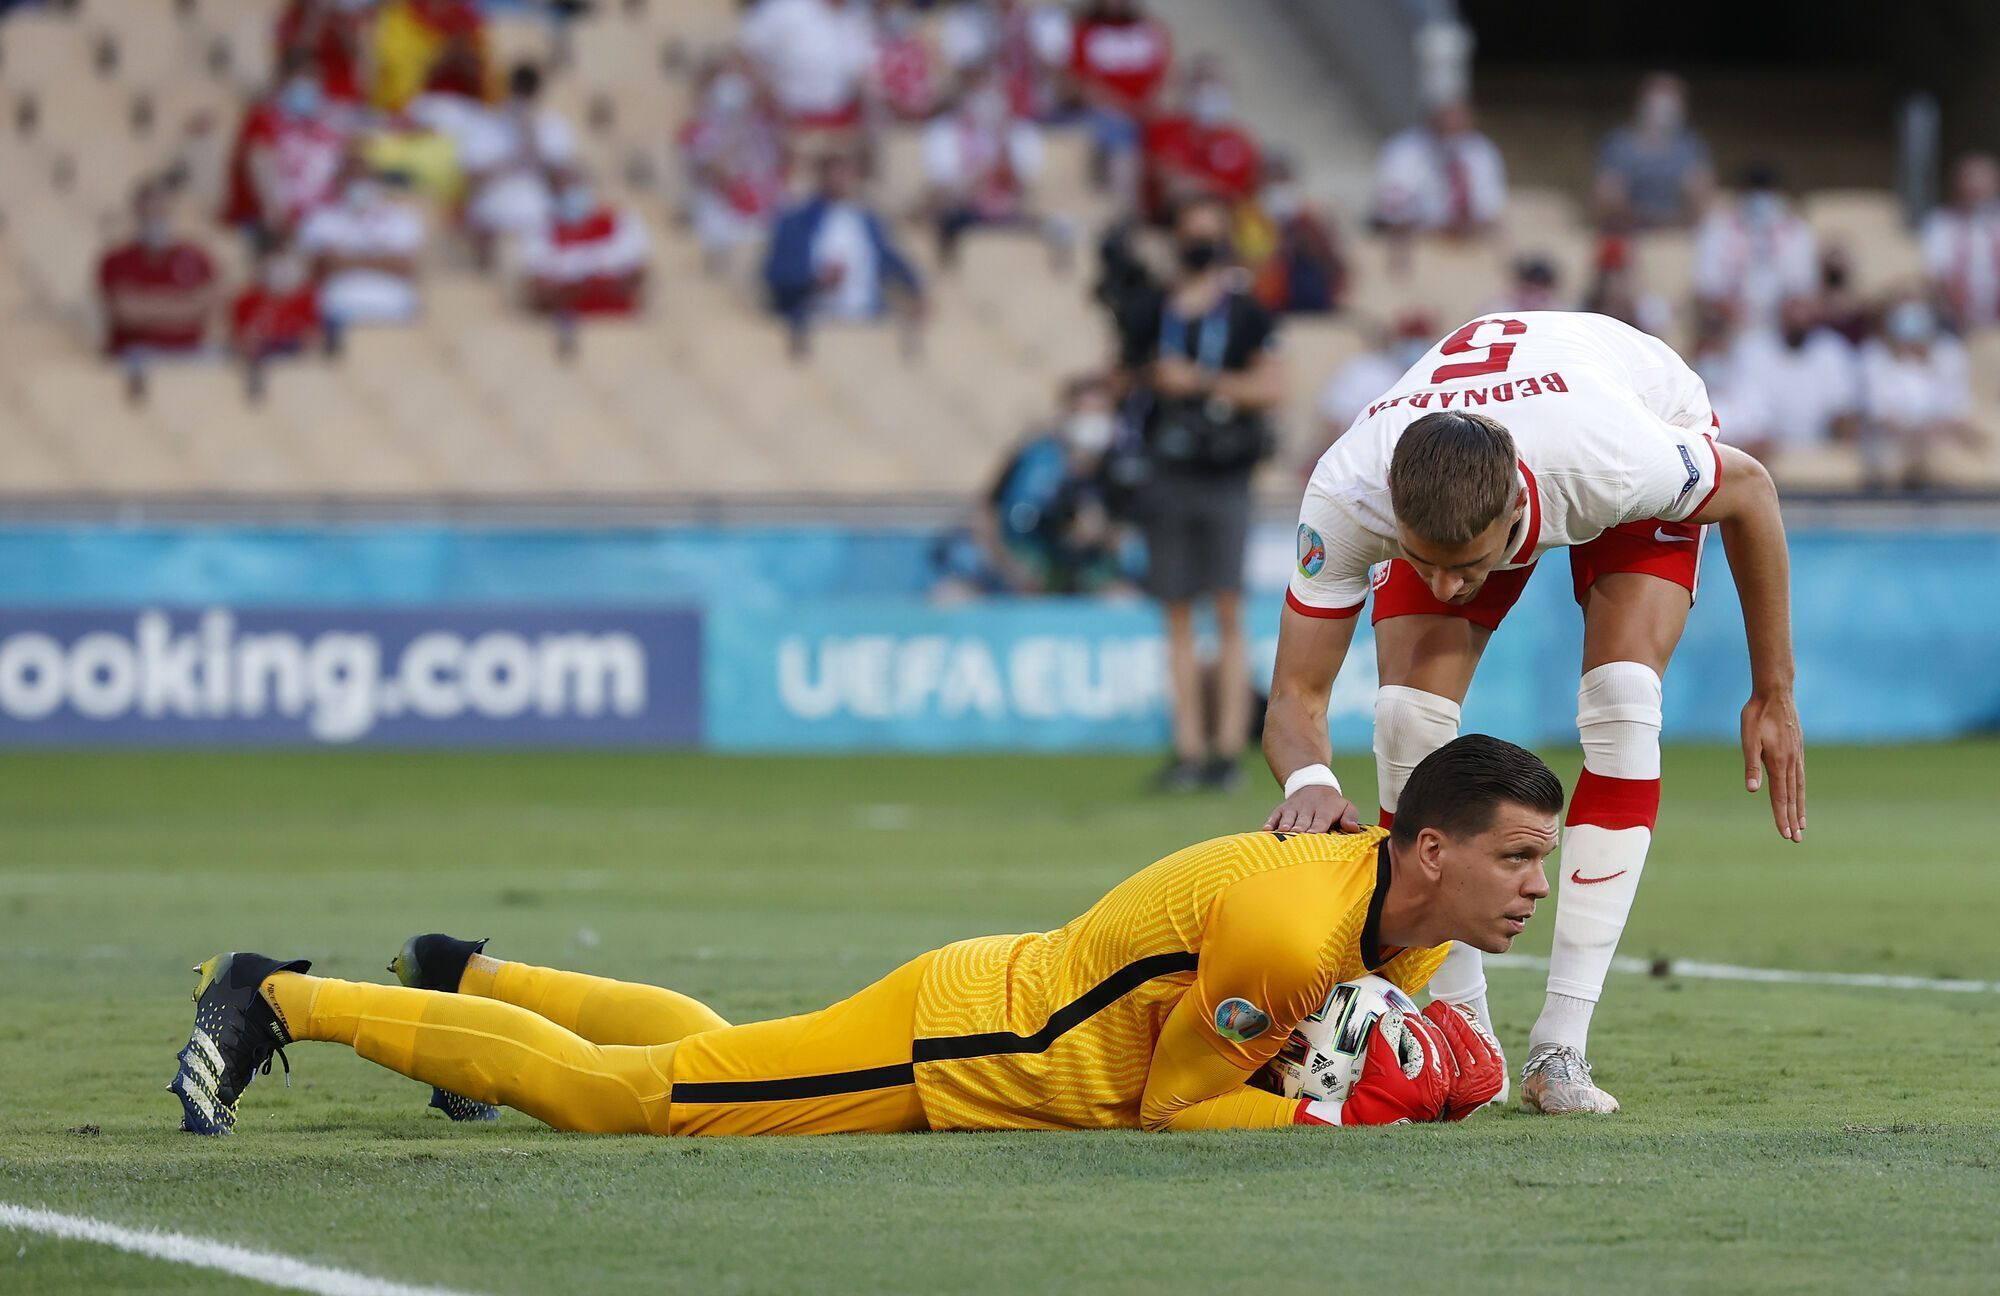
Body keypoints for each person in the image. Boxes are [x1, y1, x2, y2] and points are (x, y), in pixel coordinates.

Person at [168, 735, 1552, 1138]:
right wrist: (1340, 1118)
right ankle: (280, 994)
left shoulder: (1398, 918)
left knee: (716, 1050)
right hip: (974, 1048)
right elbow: (1175, 1109)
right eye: (1517, 856)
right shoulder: (1293, 920)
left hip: (990, 1013)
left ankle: (467, 973)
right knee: (650, 1107)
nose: (1535, 886)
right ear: (1429, 847)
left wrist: (1362, 1066)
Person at [1264, 310, 1804, 1115]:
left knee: (1623, 699)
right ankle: (1463, 1028)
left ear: (1517, 518)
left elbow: (1752, 490)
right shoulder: (1350, 493)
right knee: (1405, 719)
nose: (1446, 587)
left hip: (1626, 411)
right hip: (1500, 423)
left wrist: (1774, 691)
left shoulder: (1614, 462)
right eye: (1423, 563)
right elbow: (1294, 697)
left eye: (1469, 566)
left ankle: (1562, 1047)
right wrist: (1308, 775)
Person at [1116, 194, 1284, 793]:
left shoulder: (1245, 314)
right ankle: (1189, 749)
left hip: (1225, 472)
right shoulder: (1150, 310)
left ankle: (1225, 753)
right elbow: (1122, 377)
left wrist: (1203, 381)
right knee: (1178, 615)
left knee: (1229, 610)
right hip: (1167, 469)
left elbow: (1273, 387)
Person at [935, 374, 1135, 598]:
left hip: (1087, 575)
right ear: (1067, 413)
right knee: (951, 597)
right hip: (1017, 569)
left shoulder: (1123, 467)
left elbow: (1127, 534)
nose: (1092, 421)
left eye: (1100, 412)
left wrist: (1103, 534)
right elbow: (987, 513)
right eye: (1084, 412)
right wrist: (1008, 567)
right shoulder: (1033, 456)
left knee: (1123, 600)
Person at [413, 61, 577, 267]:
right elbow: (470, 181)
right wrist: (512, 160)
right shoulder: (484, 126)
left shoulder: (552, 127)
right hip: (492, 219)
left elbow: (564, 182)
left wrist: (531, 140)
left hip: (536, 220)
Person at [763, 151, 925, 355]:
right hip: (818, 321)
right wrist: (816, 280)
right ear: (820, 177)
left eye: (846, 174)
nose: (841, 180)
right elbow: (775, 273)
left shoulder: (867, 221)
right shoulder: (796, 223)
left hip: (867, 317)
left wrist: (916, 290)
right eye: (834, 173)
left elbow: (889, 259)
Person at [921, 62, 1058, 268]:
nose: (988, 99)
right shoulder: (945, 132)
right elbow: (944, 191)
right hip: (966, 212)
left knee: (1058, 230)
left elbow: (1029, 191)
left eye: (993, 91)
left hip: (1011, 211)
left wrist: (1005, 149)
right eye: (981, 92)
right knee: (944, 222)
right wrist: (983, 172)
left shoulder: (1021, 133)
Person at [98, 182, 220, 393]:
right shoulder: (117, 259)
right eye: (151, 208)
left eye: (162, 208)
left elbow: (209, 305)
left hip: (190, 350)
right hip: (140, 353)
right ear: (137, 210)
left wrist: (150, 302)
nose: (157, 214)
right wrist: (183, 304)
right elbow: (127, 312)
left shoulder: (195, 255)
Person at [221, 56, 349, 243]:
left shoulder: (322, 128)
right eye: (305, 78)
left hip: (307, 228)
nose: (312, 86)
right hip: (255, 225)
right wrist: (274, 212)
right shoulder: (266, 118)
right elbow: (259, 159)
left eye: (315, 80)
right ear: (284, 79)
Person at [1721, 296, 1861, 463]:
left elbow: (1844, 409)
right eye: (1791, 315)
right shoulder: (1753, 351)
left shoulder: (1831, 351)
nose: (1798, 321)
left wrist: (1843, 429)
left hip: (1822, 455)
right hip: (1770, 458)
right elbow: (1748, 411)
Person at [679, 59, 787, 272]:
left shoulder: (762, 126)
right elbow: (716, 173)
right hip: (724, 218)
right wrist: (739, 126)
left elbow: (784, 157)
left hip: (764, 212)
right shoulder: (698, 131)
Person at [296, 156, 427, 330]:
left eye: (364, 178)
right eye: (352, 178)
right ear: (339, 182)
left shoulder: (401, 219)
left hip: (395, 306)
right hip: (337, 307)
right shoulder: (320, 220)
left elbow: (404, 266)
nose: (359, 184)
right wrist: (381, 258)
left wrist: (347, 259)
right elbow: (322, 267)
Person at [1859, 298, 1976, 489]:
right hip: (1894, 440)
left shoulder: (1949, 356)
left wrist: (1928, 433)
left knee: (1948, 458)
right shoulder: (1875, 358)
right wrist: (1912, 434)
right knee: (1885, 459)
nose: (1912, 346)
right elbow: (1879, 417)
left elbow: (1958, 415)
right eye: (1907, 340)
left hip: (1936, 440)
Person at [1066, 0, 1172, 200]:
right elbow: (1079, 83)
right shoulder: (1085, 30)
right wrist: (1126, 109)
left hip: (1146, 113)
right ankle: (1121, 212)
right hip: (1105, 115)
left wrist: (1143, 108)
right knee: (1119, 138)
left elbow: (1164, 79)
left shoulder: (1152, 29)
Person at [1693, 164, 1816, 331]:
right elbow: (1708, 287)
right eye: (1753, 191)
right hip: (1733, 330)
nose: (1759, 199)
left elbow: (1802, 287)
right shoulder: (1717, 230)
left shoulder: (1795, 231)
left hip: (1782, 331)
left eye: (1765, 191)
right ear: (1740, 193)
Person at [1140, 59, 1261, 223]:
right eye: (1201, 84)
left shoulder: (1240, 143)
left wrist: (1198, 184)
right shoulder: (1164, 128)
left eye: (1214, 84)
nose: (1207, 92)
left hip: (1221, 220)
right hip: (1166, 215)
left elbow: (1243, 194)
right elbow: (1158, 172)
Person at [519, 171, 649, 318]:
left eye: (575, 186)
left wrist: (579, 286)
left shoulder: (617, 222)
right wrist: (593, 285)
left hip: (619, 319)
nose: (571, 192)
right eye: (563, 187)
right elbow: (540, 290)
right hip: (566, 319)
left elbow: (636, 276)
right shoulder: (541, 231)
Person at [1592, 72, 1712, 232]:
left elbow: (1702, 196)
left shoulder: (1689, 147)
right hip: (1630, 231)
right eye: (1657, 97)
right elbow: (1607, 197)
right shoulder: (1619, 145)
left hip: (1675, 232)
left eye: (1670, 97)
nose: (1662, 106)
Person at [739, 0, 875, 136]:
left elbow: (863, 70)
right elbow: (745, 54)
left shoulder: (857, 15)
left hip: (844, 126)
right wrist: (771, 101)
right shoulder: (786, 10)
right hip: (789, 123)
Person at [1371, 100, 1506, 238]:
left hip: (1470, 233)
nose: (1454, 124)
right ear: (1433, 119)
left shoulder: (1481, 149)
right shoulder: (1404, 149)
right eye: (1448, 118)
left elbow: (1491, 200)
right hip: (1419, 234)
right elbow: (1394, 202)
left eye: (1459, 119)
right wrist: (1434, 222)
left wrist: (1470, 221)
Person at [1312, 312, 1433, 451]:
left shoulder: (1430, 375)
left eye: (1420, 339)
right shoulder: (1366, 370)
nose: (1415, 347)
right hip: (1359, 451)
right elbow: (1333, 420)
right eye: (1410, 339)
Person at [1921, 153, 2000, 333]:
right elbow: (1937, 274)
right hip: (1956, 324)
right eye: (1969, 179)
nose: (1975, 186)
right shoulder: (1941, 222)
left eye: (1982, 179)